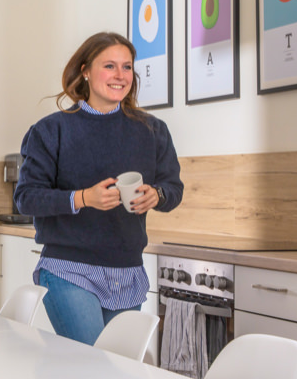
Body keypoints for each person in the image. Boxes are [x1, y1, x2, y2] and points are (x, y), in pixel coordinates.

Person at [14, 31, 183, 345]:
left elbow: (173, 188)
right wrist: (82, 198)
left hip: (127, 271)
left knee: (116, 368)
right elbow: (26, 198)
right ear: (86, 71)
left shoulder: (152, 131)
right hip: (69, 270)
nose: (120, 75)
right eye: (109, 66)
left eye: (127, 67)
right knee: (93, 367)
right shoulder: (52, 130)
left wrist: (156, 195)